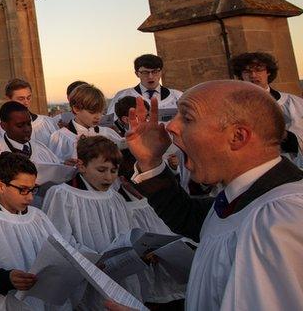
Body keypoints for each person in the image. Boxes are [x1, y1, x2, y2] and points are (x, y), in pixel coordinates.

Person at [123, 81, 303, 310]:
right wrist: (149, 161)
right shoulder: (246, 198)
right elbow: (188, 216)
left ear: (237, 136)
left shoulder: (279, 218)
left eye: (187, 118)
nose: (170, 127)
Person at [0, 152, 74, 310]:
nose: (30, 198)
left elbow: (59, 250)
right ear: (0, 186)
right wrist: (6, 278)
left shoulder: (38, 217)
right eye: (23, 190)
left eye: (32, 189)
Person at [42, 136, 142, 304]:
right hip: (85, 278)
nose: (109, 178)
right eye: (101, 170)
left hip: (120, 277)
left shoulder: (115, 198)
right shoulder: (63, 195)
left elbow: (128, 232)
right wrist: (91, 261)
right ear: (81, 166)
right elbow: (58, 241)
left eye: (114, 170)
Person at [231, 52, 303, 162]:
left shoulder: (293, 102)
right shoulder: (232, 106)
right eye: (247, 71)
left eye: (258, 70)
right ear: (241, 75)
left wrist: (289, 138)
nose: (253, 75)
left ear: (268, 72)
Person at [0, 102, 62, 191]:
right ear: (3, 126)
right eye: (20, 125)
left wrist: (63, 165)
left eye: (29, 124)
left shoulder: (40, 148)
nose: (27, 129)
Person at [49, 83, 123, 162]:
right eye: (92, 112)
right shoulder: (60, 137)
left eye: (100, 112)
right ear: (76, 109)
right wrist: (64, 164)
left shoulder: (107, 133)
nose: (98, 116)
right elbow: (52, 164)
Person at [0, 78, 59, 147]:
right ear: (9, 99)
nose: (26, 102)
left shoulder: (47, 123)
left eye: (28, 98)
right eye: (21, 99)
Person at [107, 54, 183, 115]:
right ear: (137, 74)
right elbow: (111, 123)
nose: (150, 76)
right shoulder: (122, 96)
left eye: (155, 71)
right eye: (145, 72)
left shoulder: (178, 96)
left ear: (161, 72)